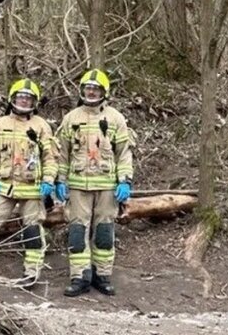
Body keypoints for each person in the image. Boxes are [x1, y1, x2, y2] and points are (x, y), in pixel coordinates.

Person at [0, 79, 57, 288]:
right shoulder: (1, 124)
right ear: (13, 99)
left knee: (32, 230)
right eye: (21, 97)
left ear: (34, 102)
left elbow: (50, 158)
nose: (24, 101)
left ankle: (31, 272)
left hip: (33, 189)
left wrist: (49, 181)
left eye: (28, 98)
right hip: (5, 187)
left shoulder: (41, 126)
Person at [54, 69, 134, 296]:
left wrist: (124, 181)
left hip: (107, 186)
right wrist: (60, 180)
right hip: (79, 186)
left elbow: (124, 153)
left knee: (104, 231)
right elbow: (63, 154)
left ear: (104, 91)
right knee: (78, 231)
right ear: (82, 90)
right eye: (88, 88)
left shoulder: (116, 118)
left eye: (95, 88)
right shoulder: (71, 118)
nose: (91, 92)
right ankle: (80, 277)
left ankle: (102, 275)